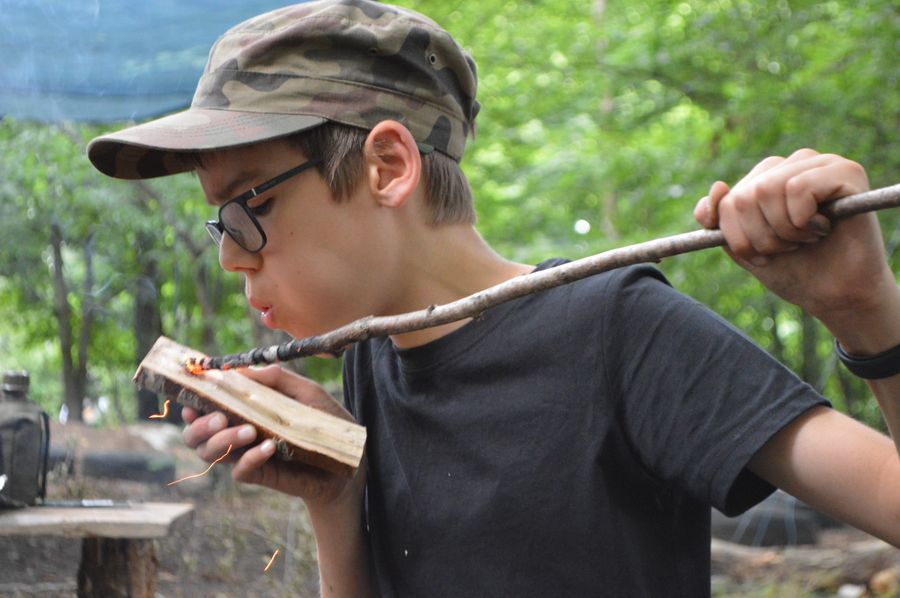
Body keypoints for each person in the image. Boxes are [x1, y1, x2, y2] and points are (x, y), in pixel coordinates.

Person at [87, 1, 900, 595]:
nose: (231, 255)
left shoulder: (616, 328)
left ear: (387, 168)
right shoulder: (374, 359)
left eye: (250, 205)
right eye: (219, 221)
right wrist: (337, 497)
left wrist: (867, 312)